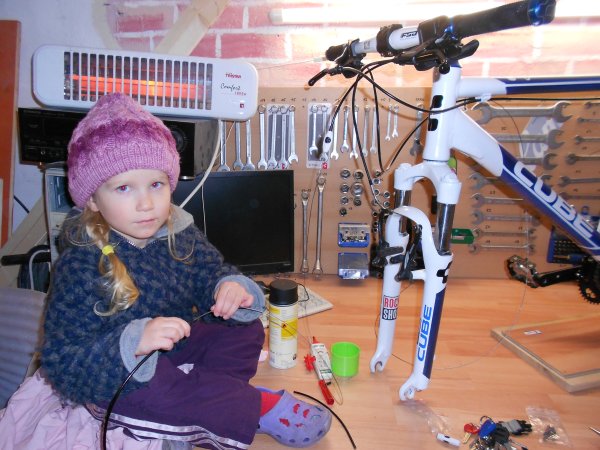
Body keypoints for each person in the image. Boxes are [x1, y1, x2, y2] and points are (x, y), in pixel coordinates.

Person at [39, 93, 332, 449]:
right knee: (157, 387)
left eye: (156, 185)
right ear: (92, 199)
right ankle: (246, 406)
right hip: (119, 376)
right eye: (124, 188)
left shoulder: (179, 233)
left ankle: (203, 402)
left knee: (245, 327)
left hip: (176, 351)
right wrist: (134, 342)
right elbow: (62, 362)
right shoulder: (80, 265)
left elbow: (212, 274)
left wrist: (229, 288)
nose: (146, 203)